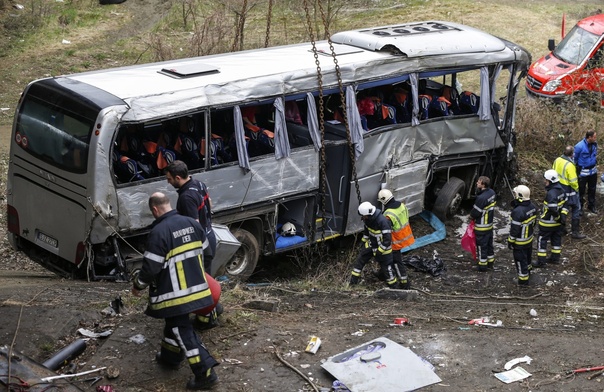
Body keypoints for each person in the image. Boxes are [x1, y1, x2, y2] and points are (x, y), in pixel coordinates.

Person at [132, 192, 219, 390]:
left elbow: (151, 268)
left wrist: (138, 285)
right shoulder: (193, 224)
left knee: (182, 330)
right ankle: (170, 357)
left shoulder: (159, 232)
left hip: (175, 295)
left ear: (154, 209)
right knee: (174, 324)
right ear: (168, 204)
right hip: (198, 288)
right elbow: (208, 252)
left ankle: (206, 372)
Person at [165, 160, 220, 330]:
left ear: (178, 177)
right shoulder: (199, 183)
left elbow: (193, 226)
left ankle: (207, 320)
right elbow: (209, 204)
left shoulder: (186, 197)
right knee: (206, 280)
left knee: (201, 284)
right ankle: (214, 310)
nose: (168, 182)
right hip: (209, 236)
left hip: (200, 244)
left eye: (169, 179)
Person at [349, 201, 401, 289]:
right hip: (371, 245)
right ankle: (352, 284)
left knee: (387, 269)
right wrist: (362, 243)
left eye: (363, 216)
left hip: (383, 249)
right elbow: (366, 232)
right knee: (359, 262)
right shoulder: (368, 220)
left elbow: (387, 239)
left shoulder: (382, 221)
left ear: (367, 214)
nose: (362, 218)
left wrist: (380, 251)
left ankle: (395, 288)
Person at [377, 189, 414, 289]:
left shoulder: (388, 214)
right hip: (405, 236)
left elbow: (385, 229)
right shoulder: (402, 205)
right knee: (388, 258)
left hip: (395, 241)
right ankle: (381, 274)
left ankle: (404, 282)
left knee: (396, 261)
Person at [534, 169, 568, 267]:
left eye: (546, 180)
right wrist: (563, 218)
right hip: (558, 224)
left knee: (542, 240)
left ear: (550, 181)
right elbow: (566, 205)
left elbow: (553, 209)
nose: (544, 181)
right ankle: (555, 258)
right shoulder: (562, 190)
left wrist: (557, 217)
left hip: (547, 223)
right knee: (556, 239)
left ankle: (541, 262)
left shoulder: (551, 193)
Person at [552, 145, 585, 239]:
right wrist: (577, 189)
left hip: (559, 188)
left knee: (563, 208)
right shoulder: (570, 165)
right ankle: (575, 232)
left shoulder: (557, 160)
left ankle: (562, 229)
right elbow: (573, 181)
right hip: (569, 190)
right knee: (576, 208)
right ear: (572, 154)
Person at [507, 185, 537, 286]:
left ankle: (523, 280)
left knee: (520, 260)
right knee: (527, 257)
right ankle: (528, 272)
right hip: (529, 239)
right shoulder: (532, 207)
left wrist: (511, 241)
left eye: (515, 194)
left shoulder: (518, 211)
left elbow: (515, 229)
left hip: (520, 241)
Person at [469, 176, 496, 271]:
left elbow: (475, 213)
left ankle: (482, 266)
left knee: (481, 246)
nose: (477, 183)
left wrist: (471, 217)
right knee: (489, 245)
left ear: (483, 185)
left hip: (481, 226)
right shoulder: (492, 193)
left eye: (478, 182)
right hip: (489, 225)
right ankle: (490, 262)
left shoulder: (481, 198)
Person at [574, 130, 598, 214]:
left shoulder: (595, 144)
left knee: (592, 189)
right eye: (594, 137)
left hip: (593, 171)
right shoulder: (579, 146)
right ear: (589, 137)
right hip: (583, 172)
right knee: (581, 190)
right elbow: (575, 159)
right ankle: (580, 207)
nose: (596, 138)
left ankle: (591, 206)